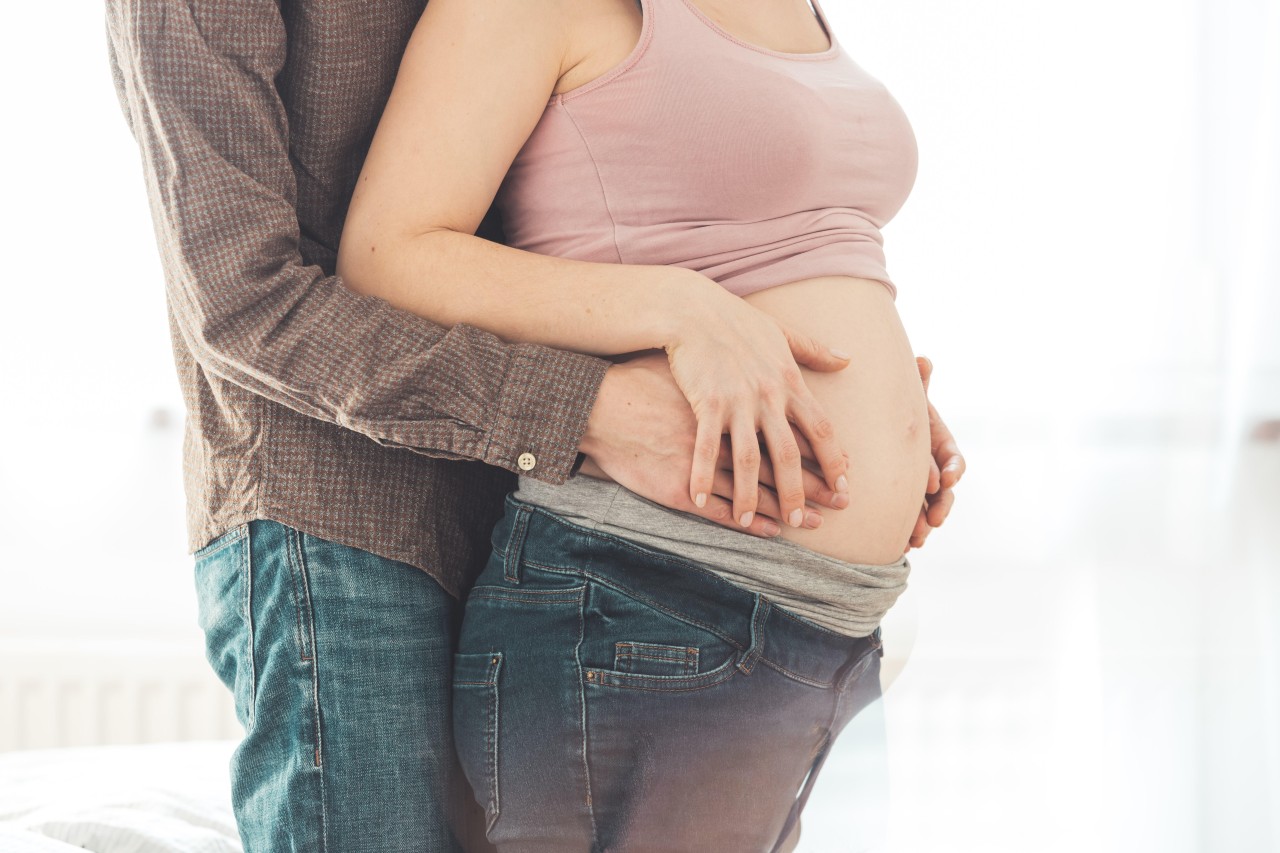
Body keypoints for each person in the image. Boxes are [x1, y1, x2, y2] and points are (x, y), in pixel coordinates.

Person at [104, 0, 964, 850]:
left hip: (541, 492)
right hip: (343, 506)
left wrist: (818, 385)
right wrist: (594, 402)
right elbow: (248, 307)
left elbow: (620, 174)